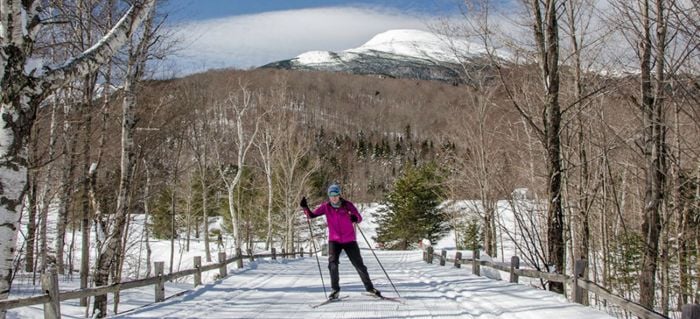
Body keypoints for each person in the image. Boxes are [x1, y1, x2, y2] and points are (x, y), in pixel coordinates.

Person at [300, 183, 382, 300]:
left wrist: (355, 218)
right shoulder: (326, 206)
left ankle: (370, 288)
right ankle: (335, 290)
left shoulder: (347, 205)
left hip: (349, 240)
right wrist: (305, 207)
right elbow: (311, 215)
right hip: (334, 240)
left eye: (335, 195)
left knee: (359, 265)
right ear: (329, 196)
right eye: (331, 195)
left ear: (339, 195)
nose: (333, 197)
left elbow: (358, 217)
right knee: (332, 264)